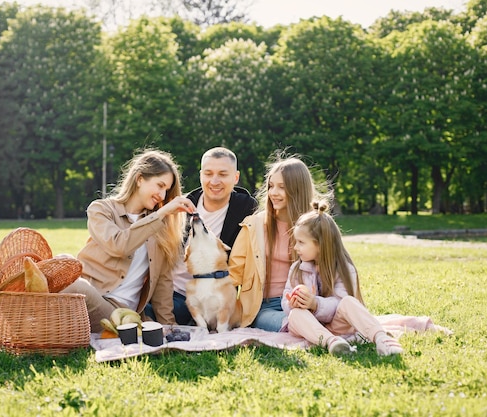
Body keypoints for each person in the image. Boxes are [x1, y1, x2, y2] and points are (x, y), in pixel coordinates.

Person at [62, 149, 196, 333]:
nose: (163, 196)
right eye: (160, 185)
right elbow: (119, 245)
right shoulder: (101, 209)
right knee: (69, 277)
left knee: (74, 286)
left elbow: (163, 284)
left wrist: (170, 326)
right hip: (91, 296)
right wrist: (161, 214)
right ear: (140, 179)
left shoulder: (159, 227)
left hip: (122, 314)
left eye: (166, 190)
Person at [146, 147, 258, 324]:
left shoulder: (246, 210)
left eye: (222, 174)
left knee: (150, 315)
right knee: (137, 308)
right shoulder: (182, 206)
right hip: (170, 289)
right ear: (201, 176)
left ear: (235, 177)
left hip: (208, 298)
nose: (214, 181)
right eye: (208, 173)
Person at [282, 200, 404, 356]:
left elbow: (341, 302)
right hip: (311, 327)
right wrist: (292, 303)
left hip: (338, 325)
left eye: (301, 242)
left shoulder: (344, 269)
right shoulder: (296, 269)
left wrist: (315, 304)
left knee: (349, 302)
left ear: (320, 244)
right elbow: (286, 299)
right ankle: (332, 342)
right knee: (295, 315)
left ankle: (381, 338)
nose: (295, 247)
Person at [228, 155, 326, 331]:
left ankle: (315, 328)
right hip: (266, 307)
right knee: (289, 321)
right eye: (271, 186)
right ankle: (320, 333)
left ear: (298, 189)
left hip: (307, 301)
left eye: (282, 187)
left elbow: (336, 270)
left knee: (313, 317)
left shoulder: (316, 226)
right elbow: (234, 274)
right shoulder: (253, 225)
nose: (273, 192)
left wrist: (319, 304)